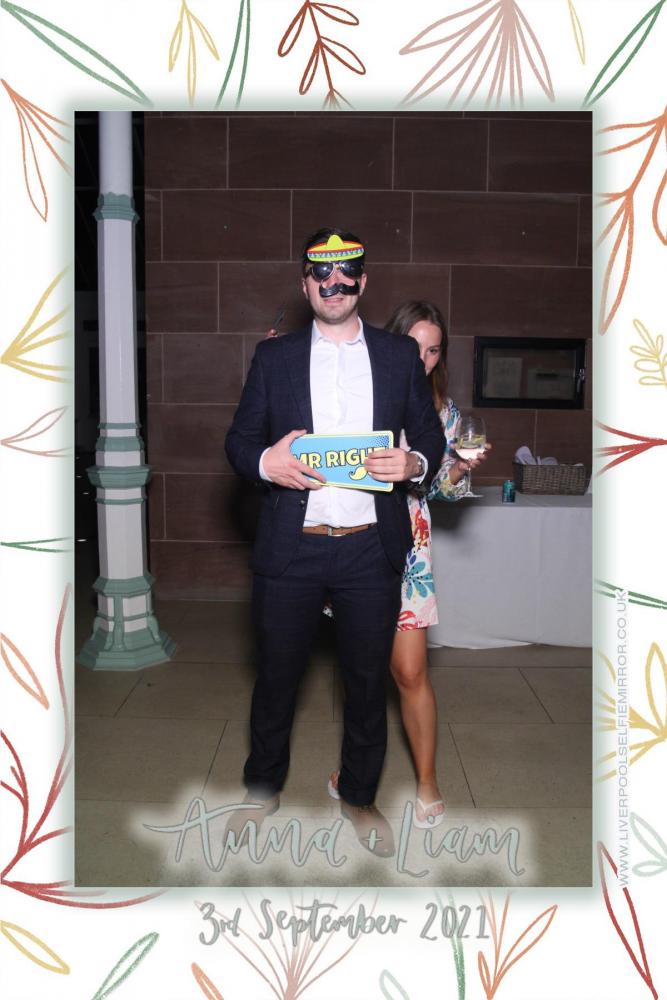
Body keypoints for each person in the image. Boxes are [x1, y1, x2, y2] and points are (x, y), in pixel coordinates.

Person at [224, 229, 446, 857]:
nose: (335, 284)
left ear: (363, 282)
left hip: (369, 547)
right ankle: (261, 791)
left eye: (347, 273)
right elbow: (239, 440)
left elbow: (430, 437)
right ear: (305, 285)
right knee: (276, 679)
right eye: (321, 274)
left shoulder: (399, 356)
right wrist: (265, 463)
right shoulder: (275, 358)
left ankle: (358, 795)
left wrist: (414, 464)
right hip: (291, 547)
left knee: (366, 683)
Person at [327, 301, 489, 828]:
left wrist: (458, 468)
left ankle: (427, 780)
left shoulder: (444, 412)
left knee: (410, 670)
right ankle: (355, 775)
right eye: (415, 346)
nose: (423, 358)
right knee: (360, 672)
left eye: (434, 349)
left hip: (410, 551)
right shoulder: (358, 390)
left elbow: (439, 489)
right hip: (354, 540)